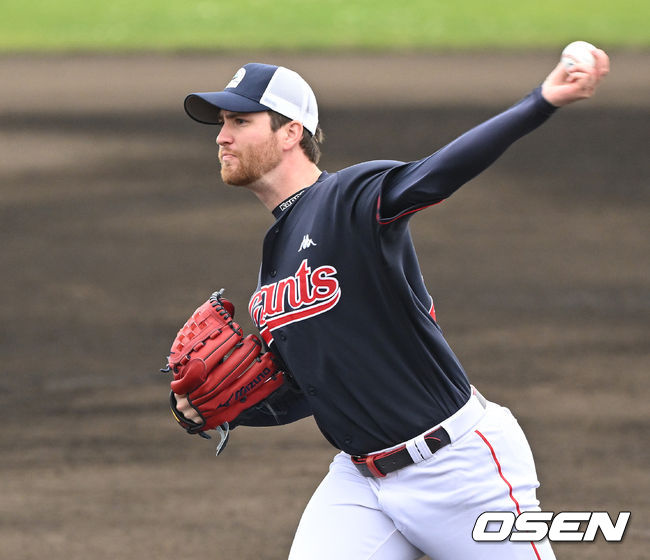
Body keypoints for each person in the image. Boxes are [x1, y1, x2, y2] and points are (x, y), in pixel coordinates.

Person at [175, 50, 609, 559]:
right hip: (361, 483)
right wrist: (220, 410)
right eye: (222, 122)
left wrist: (542, 100)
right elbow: (312, 389)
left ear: (290, 132)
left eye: (239, 121)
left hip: (460, 471)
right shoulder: (275, 258)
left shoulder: (351, 197)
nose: (222, 136)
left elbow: (440, 172)